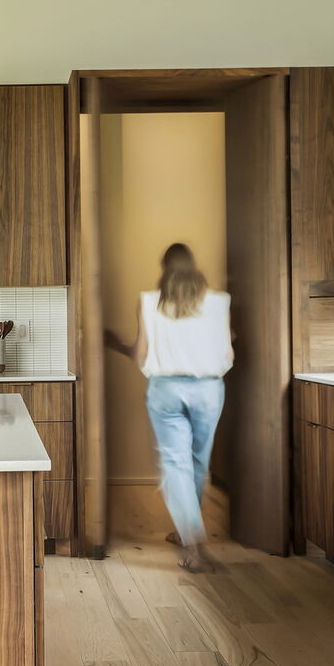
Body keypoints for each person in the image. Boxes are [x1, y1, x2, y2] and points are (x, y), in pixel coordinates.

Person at [105, 243, 234, 572]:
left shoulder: (150, 302)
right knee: (197, 462)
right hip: (209, 389)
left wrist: (115, 343)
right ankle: (187, 530)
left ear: (164, 268)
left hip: (166, 390)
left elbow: (141, 355)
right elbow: (227, 349)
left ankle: (190, 540)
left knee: (176, 463)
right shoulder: (220, 302)